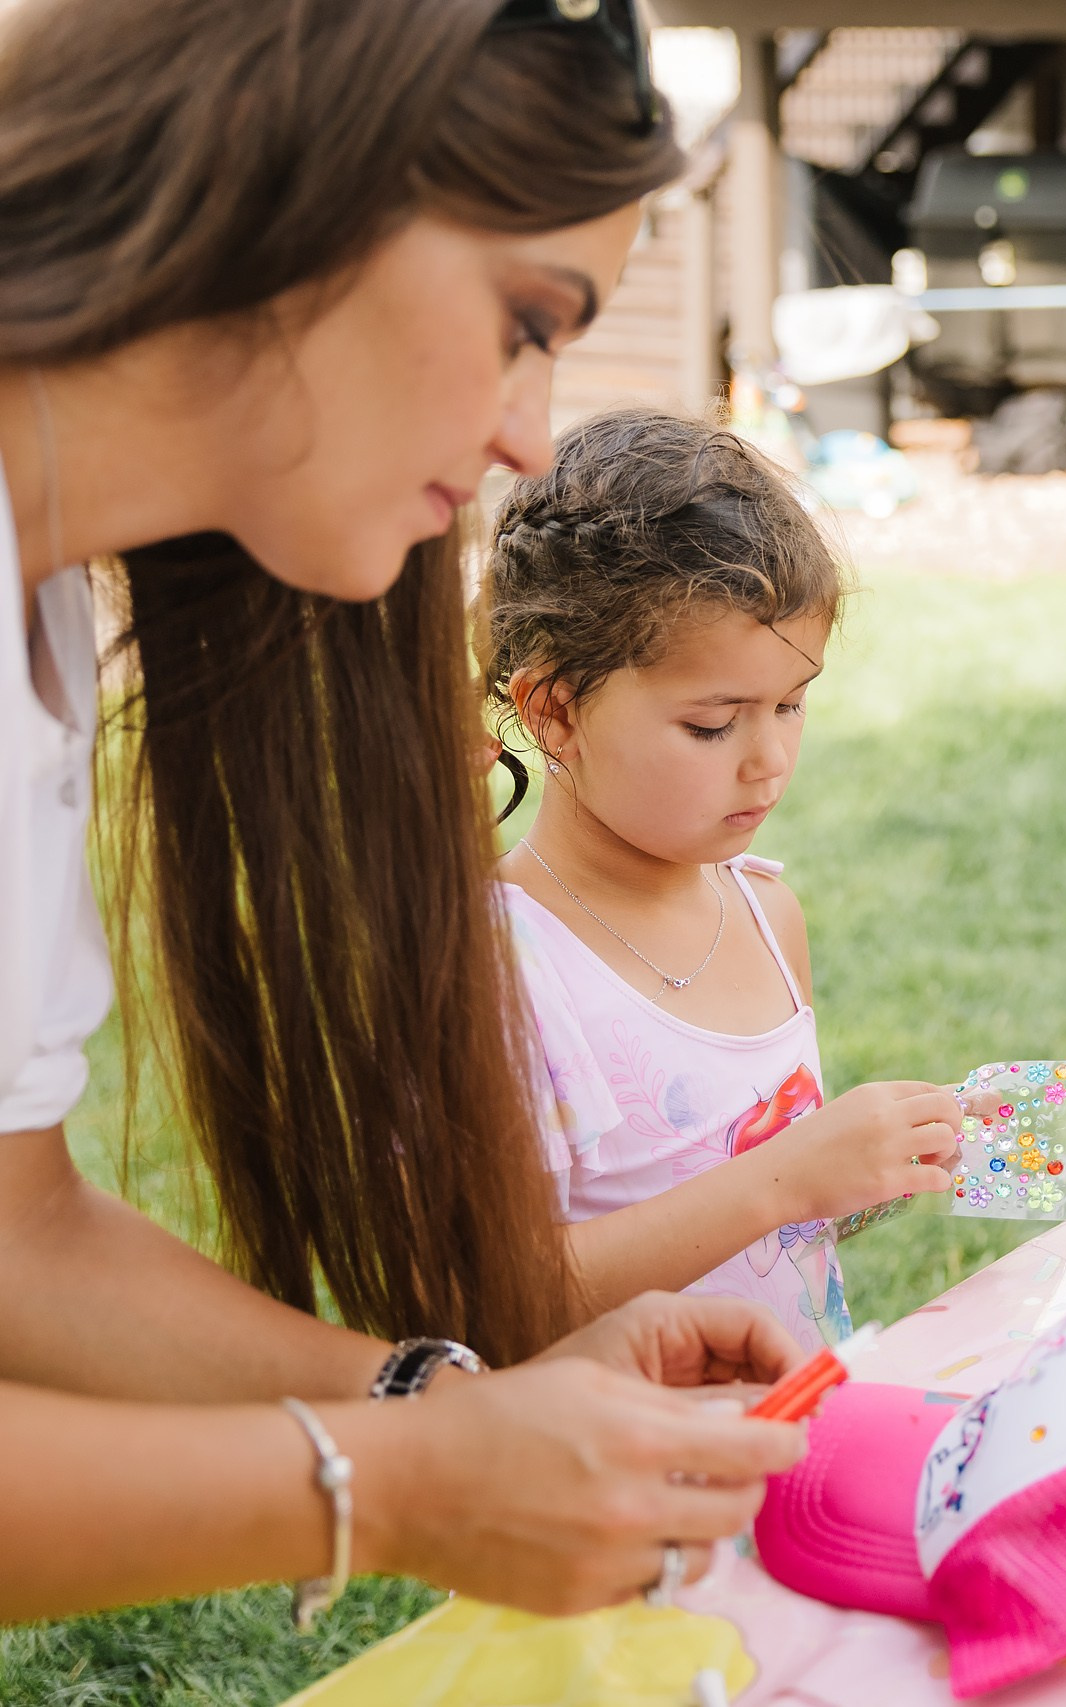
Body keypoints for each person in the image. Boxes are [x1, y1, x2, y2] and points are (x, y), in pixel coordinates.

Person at [0, 0, 819, 1623]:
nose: (528, 430)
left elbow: (20, 1235)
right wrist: (400, 1483)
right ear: (278, 186)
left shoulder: (40, 630)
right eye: (525, 319)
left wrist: (438, 1400)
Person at [483, 409, 965, 1349]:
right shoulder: (504, 968)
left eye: (792, 704)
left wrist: (874, 1159)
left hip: (793, 1420)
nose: (769, 761)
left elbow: (774, 1237)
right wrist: (784, 1179)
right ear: (554, 712)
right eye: (713, 724)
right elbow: (498, 1297)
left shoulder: (767, 914)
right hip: (620, 1437)